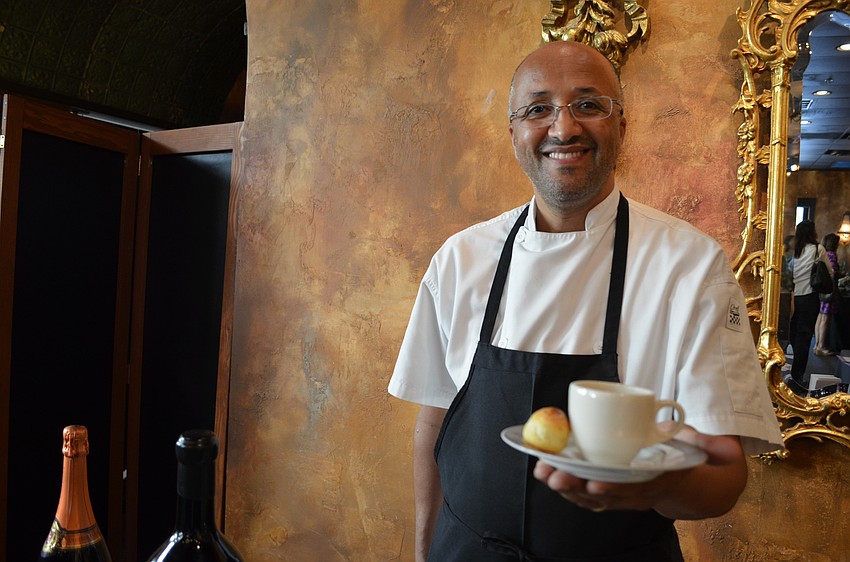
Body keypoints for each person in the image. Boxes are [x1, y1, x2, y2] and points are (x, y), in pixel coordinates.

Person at [388, 40, 784, 561]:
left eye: (589, 105)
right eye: (538, 109)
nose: (563, 129)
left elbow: (725, 474)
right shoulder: (461, 259)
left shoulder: (689, 267)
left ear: (622, 125)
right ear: (514, 133)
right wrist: (422, 552)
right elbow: (436, 422)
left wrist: (654, 489)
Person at [789, 220, 828, 386]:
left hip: (795, 297)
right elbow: (829, 271)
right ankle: (797, 375)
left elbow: (790, 270)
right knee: (804, 338)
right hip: (810, 297)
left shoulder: (797, 251)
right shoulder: (818, 249)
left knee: (795, 335)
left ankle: (795, 372)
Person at [814, 232, 842, 356]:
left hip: (820, 290)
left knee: (820, 317)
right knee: (825, 318)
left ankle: (816, 345)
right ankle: (821, 346)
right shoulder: (832, 255)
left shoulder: (822, 252)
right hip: (829, 290)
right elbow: (833, 272)